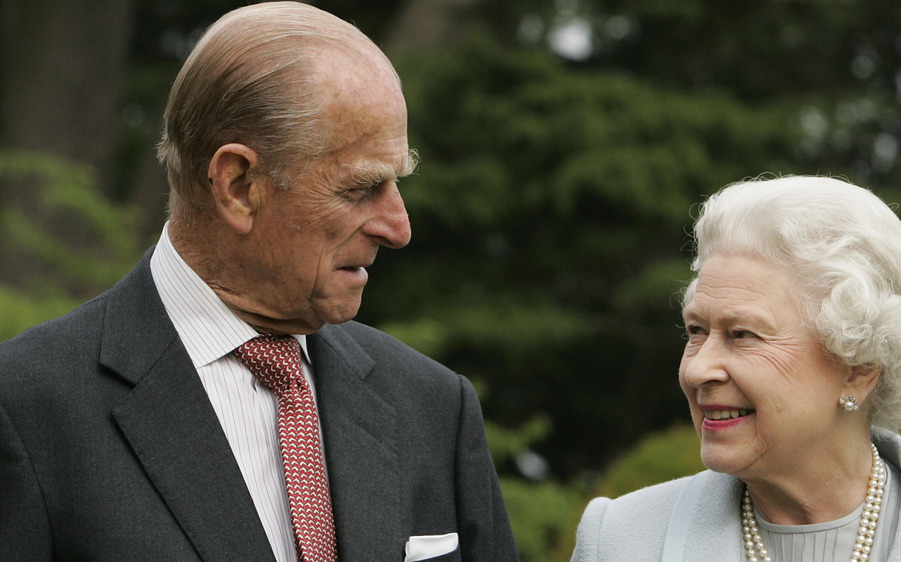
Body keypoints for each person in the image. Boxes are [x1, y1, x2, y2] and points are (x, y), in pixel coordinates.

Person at [0, 2, 518, 560]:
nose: (398, 228)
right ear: (239, 184)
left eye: (397, 184)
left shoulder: (435, 408)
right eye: (361, 188)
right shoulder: (26, 412)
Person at [571, 175, 901, 561]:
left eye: (743, 335)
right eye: (696, 330)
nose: (698, 370)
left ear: (858, 369)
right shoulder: (620, 540)